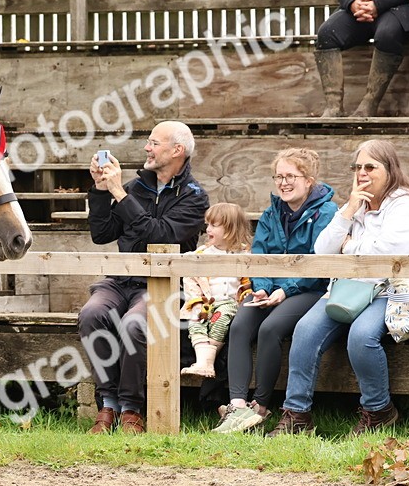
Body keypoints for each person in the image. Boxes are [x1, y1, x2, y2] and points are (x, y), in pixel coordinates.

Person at [269, 140, 409, 437]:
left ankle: (379, 411)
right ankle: (297, 415)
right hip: (351, 289)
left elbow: (386, 254)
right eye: (357, 167)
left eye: (370, 167)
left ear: (389, 169)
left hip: (391, 289)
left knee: (361, 336)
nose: (362, 173)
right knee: (305, 330)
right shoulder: (357, 203)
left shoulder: (404, 204)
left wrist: (351, 245)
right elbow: (322, 249)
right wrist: (348, 212)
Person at [78, 121, 209, 435]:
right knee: (91, 314)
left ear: (176, 150)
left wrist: (119, 193)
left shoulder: (194, 198)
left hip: (162, 287)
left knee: (135, 324)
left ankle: (131, 409)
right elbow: (102, 233)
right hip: (121, 279)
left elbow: (161, 237)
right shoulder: (138, 188)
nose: (147, 149)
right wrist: (99, 191)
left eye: (154, 143)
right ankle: (107, 403)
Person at [215, 148, 337, 434]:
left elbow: (319, 263)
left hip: (310, 288)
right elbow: (260, 256)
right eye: (279, 176)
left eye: (291, 176)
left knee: (270, 328)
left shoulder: (327, 212)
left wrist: (285, 290)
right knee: (242, 322)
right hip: (271, 289)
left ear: (308, 180)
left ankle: (260, 407)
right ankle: (237, 406)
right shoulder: (272, 213)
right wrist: (262, 289)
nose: (283, 183)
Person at [180, 203, 252, 380]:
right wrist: (197, 304)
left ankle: (207, 362)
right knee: (195, 322)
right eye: (207, 224)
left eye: (213, 225)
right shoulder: (201, 255)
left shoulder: (244, 255)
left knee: (220, 320)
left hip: (230, 304)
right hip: (205, 302)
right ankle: (203, 363)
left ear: (229, 229)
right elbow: (190, 280)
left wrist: (245, 297)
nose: (207, 229)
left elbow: (249, 282)